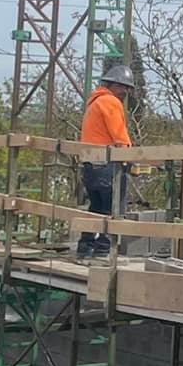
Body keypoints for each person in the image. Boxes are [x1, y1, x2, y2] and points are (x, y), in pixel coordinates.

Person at [77, 60, 134, 260]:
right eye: (122, 86)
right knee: (113, 207)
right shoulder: (110, 102)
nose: (125, 91)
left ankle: (85, 248)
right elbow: (118, 134)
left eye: (128, 88)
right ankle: (103, 250)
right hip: (106, 164)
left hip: (91, 165)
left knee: (96, 207)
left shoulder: (94, 102)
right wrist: (128, 156)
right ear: (110, 85)